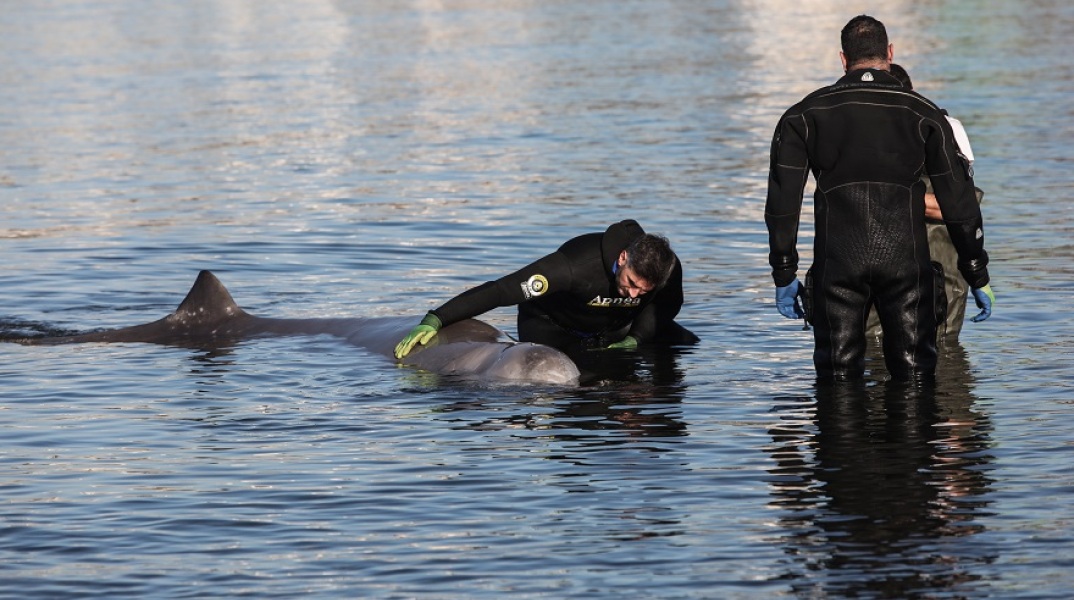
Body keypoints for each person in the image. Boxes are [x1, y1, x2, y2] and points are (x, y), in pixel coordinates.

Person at [765, 15, 994, 380]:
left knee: (838, 377)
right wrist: (976, 270)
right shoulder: (925, 114)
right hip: (906, 263)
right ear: (890, 53)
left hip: (838, 263)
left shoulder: (803, 115)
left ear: (843, 59)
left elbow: (783, 205)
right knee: (915, 376)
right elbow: (959, 204)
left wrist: (783, 272)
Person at [394, 219, 698, 359]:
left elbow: (666, 307)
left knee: (685, 343)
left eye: (643, 292)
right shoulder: (574, 265)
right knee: (584, 375)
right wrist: (436, 318)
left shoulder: (666, 270)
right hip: (553, 326)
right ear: (623, 258)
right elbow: (502, 290)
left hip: (615, 327)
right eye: (631, 283)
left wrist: (636, 338)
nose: (633, 295)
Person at [864, 63, 985, 341]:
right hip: (880, 262)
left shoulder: (947, 127)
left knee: (941, 344)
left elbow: (959, 205)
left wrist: (978, 273)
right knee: (873, 343)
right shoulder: (859, 129)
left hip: (940, 265)